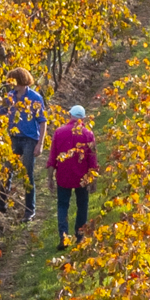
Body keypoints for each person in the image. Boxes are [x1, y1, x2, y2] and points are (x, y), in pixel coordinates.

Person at [0, 67, 47, 216]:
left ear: (22, 81)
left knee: (28, 174)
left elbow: (42, 121)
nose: (12, 85)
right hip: (13, 139)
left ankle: (29, 210)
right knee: (6, 172)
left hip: (29, 140)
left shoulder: (35, 98)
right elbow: (0, 113)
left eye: (15, 82)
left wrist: (40, 143)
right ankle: (1, 204)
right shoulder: (10, 96)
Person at [48, 105, 97, 246]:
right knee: (82, 204)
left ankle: (64, 236)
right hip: (82, 177)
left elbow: (52, 158)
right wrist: (93, 180)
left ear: (70, 115)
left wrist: (50, 178)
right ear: (83, 118)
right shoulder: (88, 134)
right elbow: (92, 159)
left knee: (63, 205)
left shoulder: (58, 132)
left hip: (63, 176)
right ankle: (80, 235)